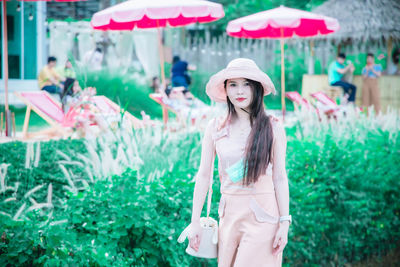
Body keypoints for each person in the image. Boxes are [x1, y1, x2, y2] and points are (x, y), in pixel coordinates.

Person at [188, 58, 291, 266]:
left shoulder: (272, 128)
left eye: (246, 84)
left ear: (257, 88)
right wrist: (195, 221)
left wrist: (284, 222)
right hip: (229, 217)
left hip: (263, 218)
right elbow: (204, 175)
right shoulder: (215, 127)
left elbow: (280, 177)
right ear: (225, 89)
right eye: (233, 85)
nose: (239, 91)